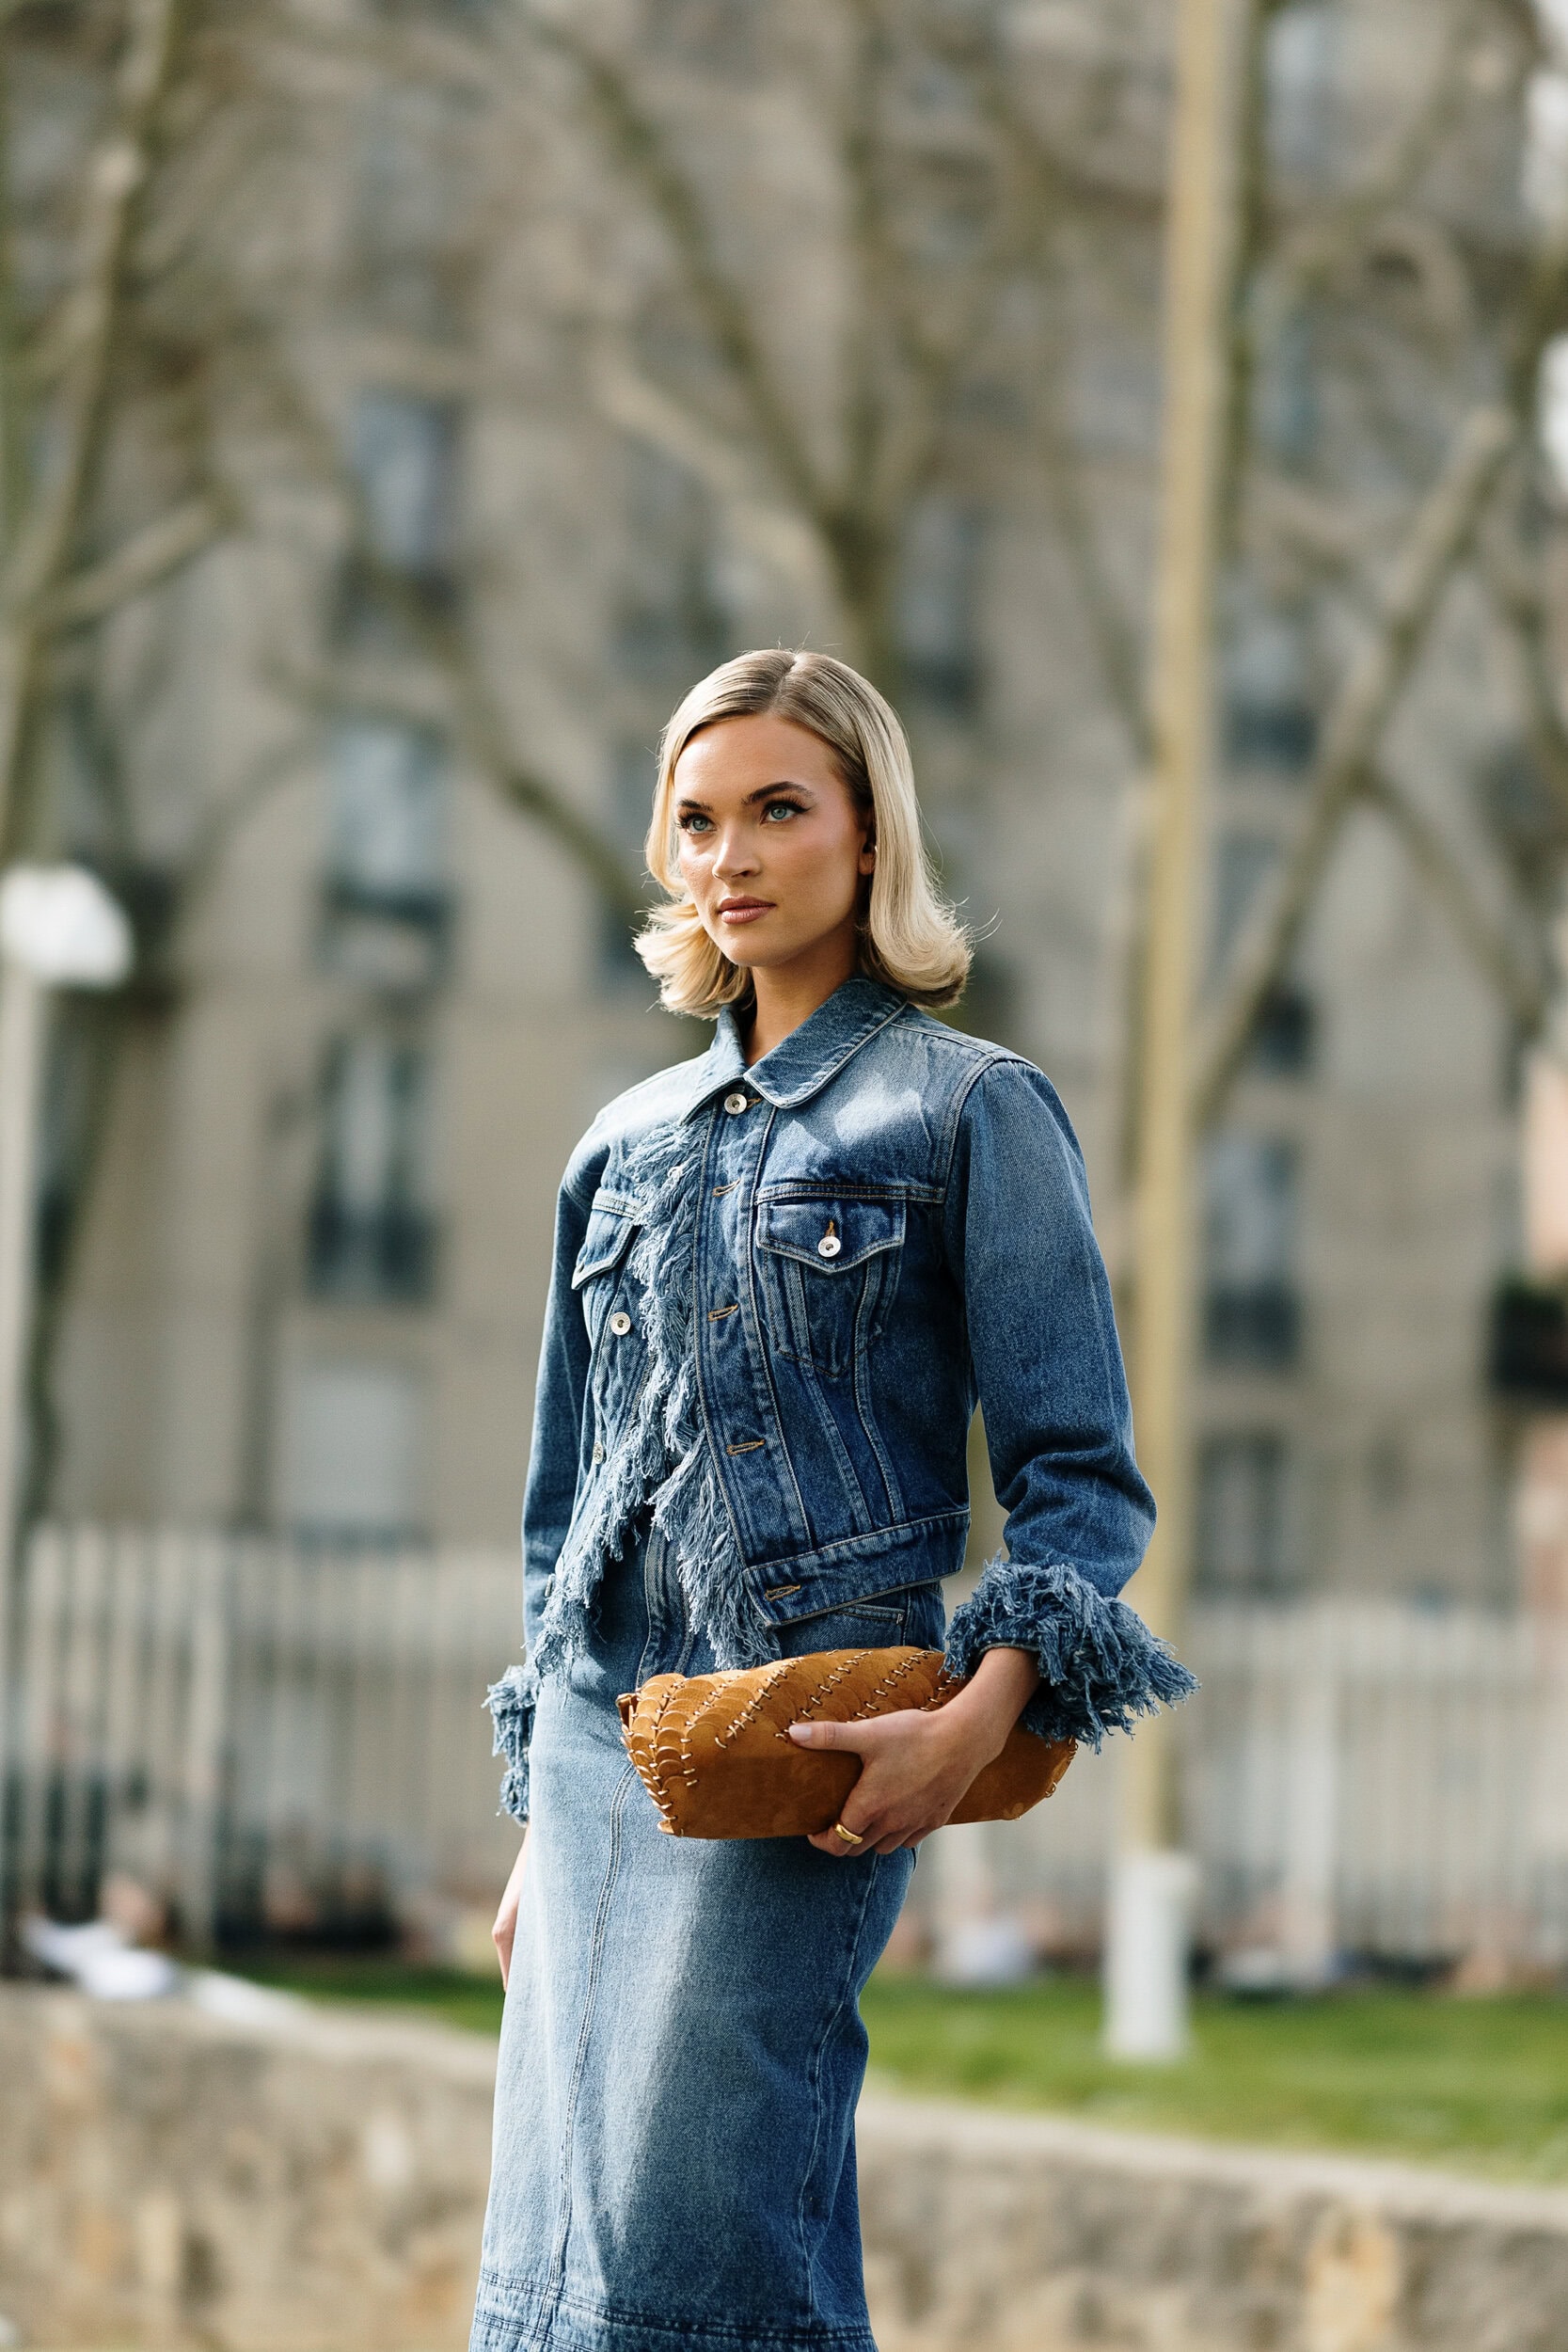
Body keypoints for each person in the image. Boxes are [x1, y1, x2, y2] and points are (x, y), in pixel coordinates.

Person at [473, 649, 1192, 2352]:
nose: (733, 854)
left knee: (688, 2259)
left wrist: (975, 1721)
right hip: (603, 1751)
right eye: (698, 817)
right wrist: (534, 1814)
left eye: (780, 810)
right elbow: (565, 1510)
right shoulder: (619, 1143)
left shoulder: (971, 1111)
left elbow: (1080, 1483)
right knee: (559, 2269)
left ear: (869, 839)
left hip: (816, 1751)